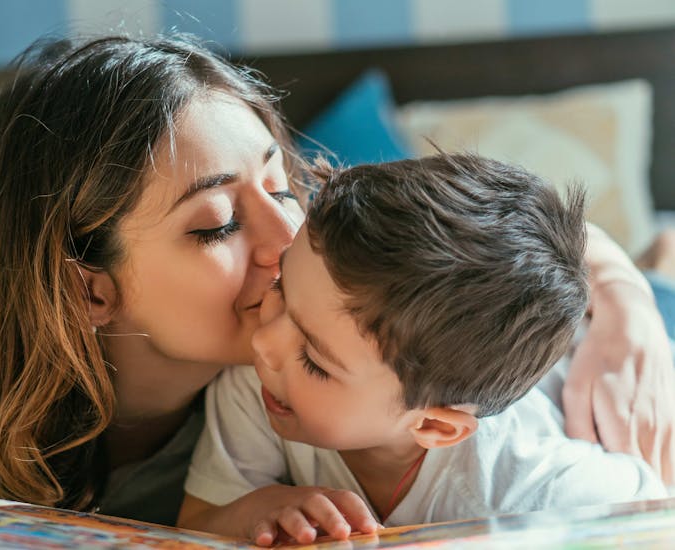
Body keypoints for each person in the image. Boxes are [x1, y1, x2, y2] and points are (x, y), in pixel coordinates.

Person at [0, 33, 672, 528]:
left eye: (286, 184)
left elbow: (496, 226)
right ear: (90, 288)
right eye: (216, 225)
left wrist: (625, 299)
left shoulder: (328, 298)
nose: (290, 238)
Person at [177, 156, 669, 545]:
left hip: (603, 360)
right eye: (281, 289)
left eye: (314, 359)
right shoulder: (258, 384)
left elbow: (653, 513)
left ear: (435, 425)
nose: (264, 342)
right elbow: (195, 520)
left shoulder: (532, 484)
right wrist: (252, 509)